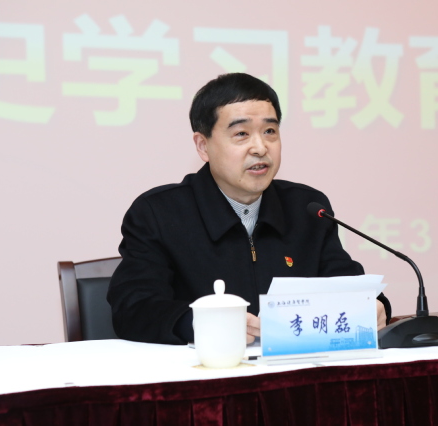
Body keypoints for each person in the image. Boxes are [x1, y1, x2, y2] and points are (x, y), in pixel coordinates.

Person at [107, 73, 391, 345]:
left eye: (270, 131)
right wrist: (199, 323)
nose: (260, 147)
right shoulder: (158, 213)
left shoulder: (306, 208)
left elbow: (347, 284)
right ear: (203, 146)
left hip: (292, 368)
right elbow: (134, 307)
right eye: (241, 133)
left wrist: (375, 305)